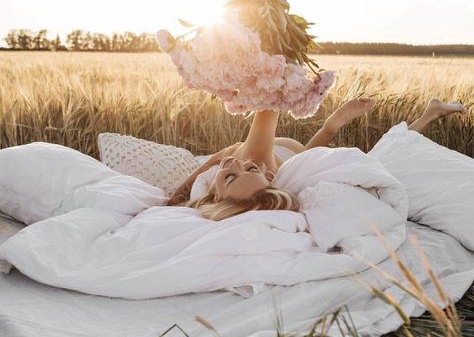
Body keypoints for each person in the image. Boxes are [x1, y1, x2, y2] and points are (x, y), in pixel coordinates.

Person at [167, 98, 466, 220]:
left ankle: (430, 112)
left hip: (303, 151)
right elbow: (270, 104)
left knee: (381, 160)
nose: (234, 163)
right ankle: (430, 113)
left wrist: (175, 197)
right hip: (308, 151)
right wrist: (331, 126)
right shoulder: (264, 168)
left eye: (237, 170)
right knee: (382, 162)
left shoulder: (245, 165)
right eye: (248, 170)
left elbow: (208, 164)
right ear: (269, 177)